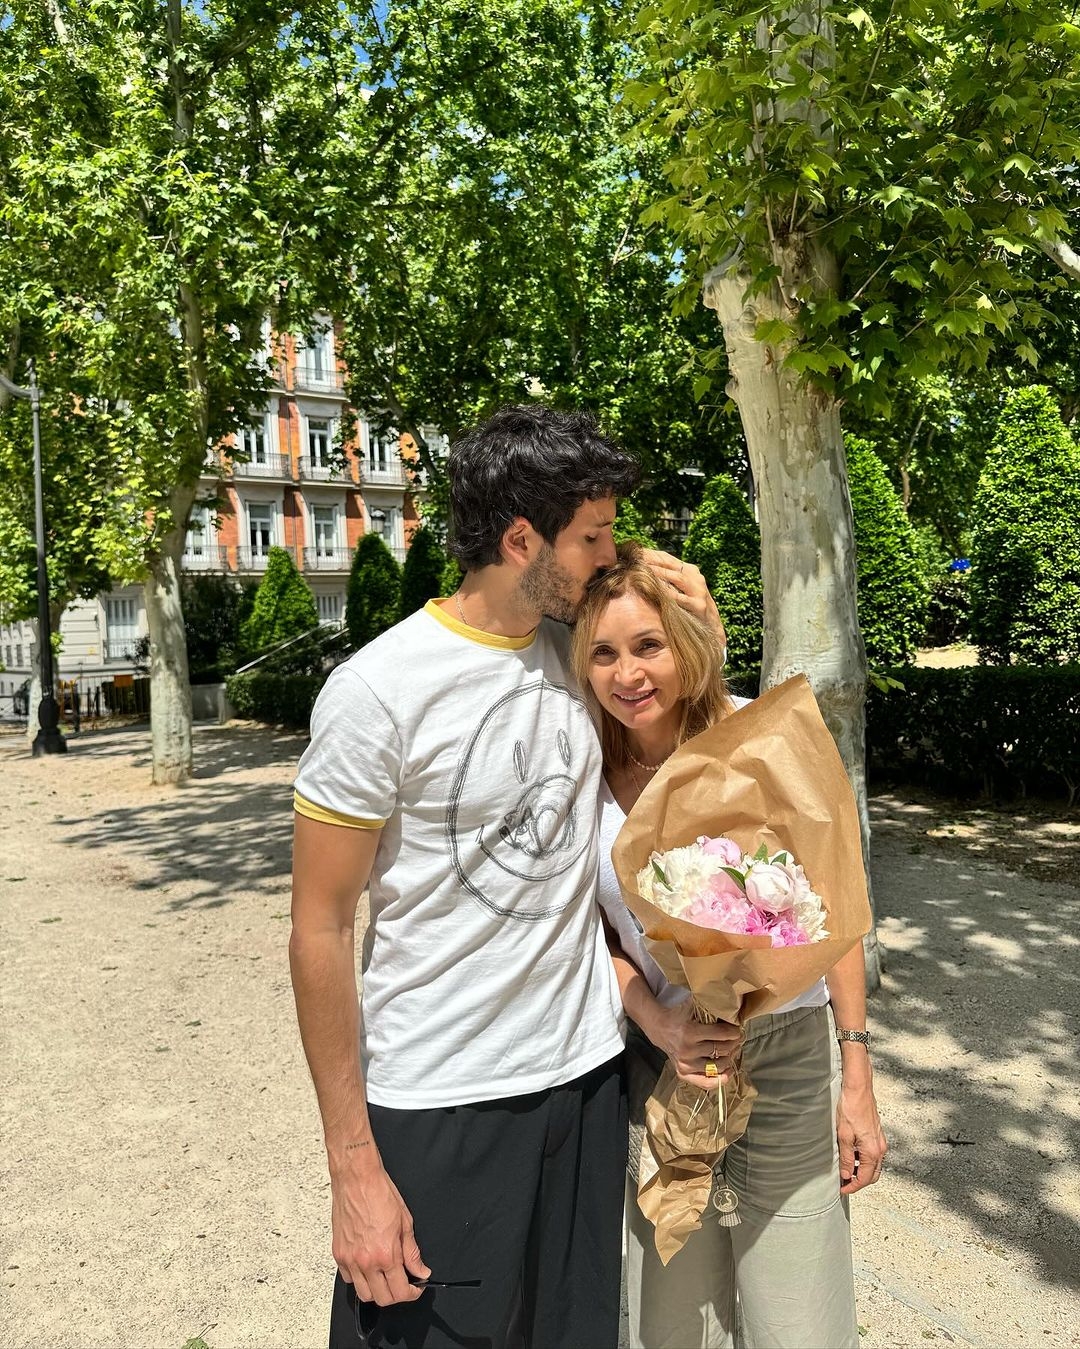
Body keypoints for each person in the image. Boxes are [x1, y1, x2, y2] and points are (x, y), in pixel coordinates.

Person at [289, 405, 718, 1349]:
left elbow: (694, 734)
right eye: (593, 536)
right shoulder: (377, 691)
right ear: (522, 540)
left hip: (587, 1083)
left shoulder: (583, 658)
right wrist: (352, 1167)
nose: (611, 555)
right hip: (442, 1097)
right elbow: (318, 929)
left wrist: (691, 608)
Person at [570, 542, 888, 1349]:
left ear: (683, 642)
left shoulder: (759, 738)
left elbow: (835, 909)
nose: (627, 673)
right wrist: (660, 1021)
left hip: (785, 1058)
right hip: (665, 1066)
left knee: (800, 1319)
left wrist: (855, 1074)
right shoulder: (577, 778)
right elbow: (590, 937)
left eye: (648, 644)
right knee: (674, 1324)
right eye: (604, 652)